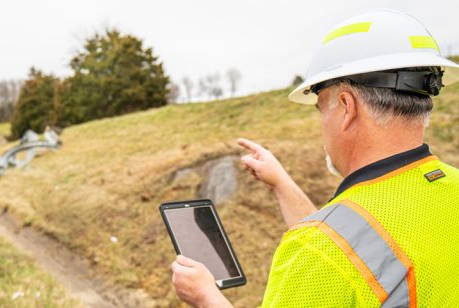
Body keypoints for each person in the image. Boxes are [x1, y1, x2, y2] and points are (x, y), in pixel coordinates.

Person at [171, 9, 459, 307]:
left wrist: (205, 296)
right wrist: (281, 184)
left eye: (321, 108)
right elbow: (357, 246)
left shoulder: (318, 250)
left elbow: (338, 248)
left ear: (347, 107)